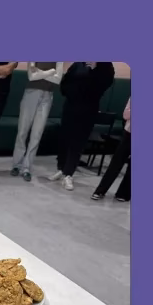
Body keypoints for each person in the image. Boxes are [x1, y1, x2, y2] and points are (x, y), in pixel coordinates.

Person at [50, 62, 115, 191]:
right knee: (65, 138)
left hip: (88, 109)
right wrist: (71, 92)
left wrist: (94, 69)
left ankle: (68, 174)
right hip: (70, 105)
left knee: (78, 141)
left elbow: (102, 85)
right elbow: (65, 82)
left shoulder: (105, 66)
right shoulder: (78, 64)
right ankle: (61, 168)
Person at [10, 62, 63, 180]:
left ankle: (27, 167)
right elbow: (31, 76)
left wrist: (40, 73)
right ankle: (16, 165)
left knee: (37, 134)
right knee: (23, 131)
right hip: (31, 93)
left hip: (47, 96)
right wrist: (51, 72)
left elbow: (58, 80)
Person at [92, 98, 130, 202]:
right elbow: (126, 115)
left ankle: (123, 194)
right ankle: (100, 190)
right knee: (116, 163)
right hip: (129, 133)